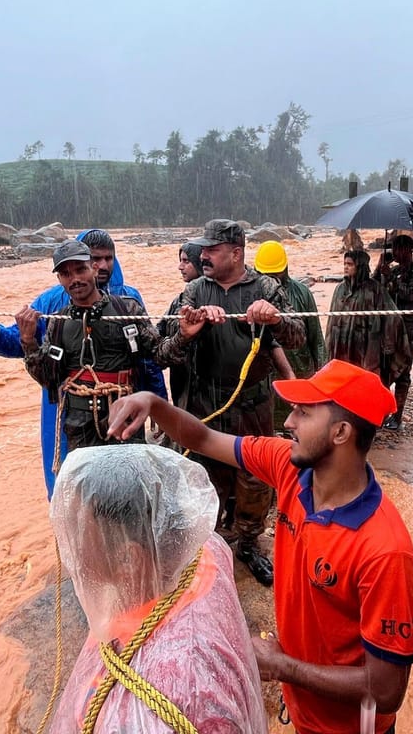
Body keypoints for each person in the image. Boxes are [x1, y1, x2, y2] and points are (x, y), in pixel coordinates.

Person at [108, 360, 413, 734]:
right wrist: (154, 404)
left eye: (304, 413)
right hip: (302, 710)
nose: (288, 422)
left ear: (340, 432)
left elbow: (385, 691)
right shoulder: (289, 468)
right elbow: (204, 440)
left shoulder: (385, 551)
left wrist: (282, 666)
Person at [48, 444, 265, 734]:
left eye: (80, 533)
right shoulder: (199, 550)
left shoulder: (174, 697)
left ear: (128, 558)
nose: (71, 550)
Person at [154, 218, 307, 587]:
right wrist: (188, 334)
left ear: (236, 253)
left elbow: (298, 336)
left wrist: (275, 320)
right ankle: (210, 545)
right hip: (203, 406)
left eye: (212, 250)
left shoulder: (267, 287)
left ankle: (250, 544)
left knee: (255, 479)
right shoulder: (193, 293)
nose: (203, 256)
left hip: (252, 405)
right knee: (203, 478)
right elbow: (161, 353)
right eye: (202, 250)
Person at [0, 229, 165, 498]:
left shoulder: (128, 301)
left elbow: (147, 357)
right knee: (73, 485)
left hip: (124, 406)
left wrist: (159, 401)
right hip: (69, 408)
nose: (101, 266)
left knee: (132, 488)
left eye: (107, 259)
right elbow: (18, 341)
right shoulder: (53, 302)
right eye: (94, 259)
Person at [21, 240, 159, 457]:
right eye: (66, 274)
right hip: (78, 425)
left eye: (80, 270)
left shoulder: (127, 308)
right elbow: (48, 378)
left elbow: (159, 355)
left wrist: (185, 334)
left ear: (94, 268)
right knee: (88, 488)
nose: (75, 279)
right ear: (59, 280)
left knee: (130, 481)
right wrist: (28, 341)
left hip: (124, 415)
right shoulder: (58, 322)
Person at [254, 241, 328, 432]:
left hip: (300, 370)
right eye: (266, 275)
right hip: (265, 378)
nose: (271, 280)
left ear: (285, 269)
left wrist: (321, 374)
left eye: (275, 274)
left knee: (302, 427)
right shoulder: (249, 294)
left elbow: (316, 337)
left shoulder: (302, 293)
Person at [325, 250, 410, 406]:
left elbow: (393, 316)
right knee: (343, 380)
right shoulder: (339, 289)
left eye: (350, 264)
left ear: (360, 266)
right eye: (344, 264)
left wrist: (387, 343)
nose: (345, 267)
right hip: (342, 345)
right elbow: (332, 319)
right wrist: (329, 343)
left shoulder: (375, 290)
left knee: (366, 380)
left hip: (365, 346)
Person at [374, 235, 413, 429]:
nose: (395, 253)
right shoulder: (392, 270)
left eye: (399, 249)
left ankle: (397, 417)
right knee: (384, 370)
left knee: (404, 371)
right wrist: (379, 268)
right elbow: (373, 289)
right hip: (388, 328)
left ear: (409, 250)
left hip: (406, 328)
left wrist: (390, 278)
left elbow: (411, 293)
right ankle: (382, 413)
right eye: (394, 249)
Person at [159, 241, 205, 408]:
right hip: (181, 383)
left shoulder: (214, 299)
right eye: (180, 260)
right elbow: (159, 334)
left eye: (186, 261)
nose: (180, 267)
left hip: (206, 389)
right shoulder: (177, 301)